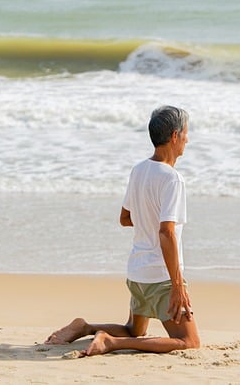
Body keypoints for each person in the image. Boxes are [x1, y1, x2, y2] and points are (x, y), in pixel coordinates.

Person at [44, 105, 200, 356]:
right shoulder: (172, 179)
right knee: (189, 341)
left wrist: (149, 221)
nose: (187, 140)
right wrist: (177, 285)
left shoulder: (139, 170)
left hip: (137, 273)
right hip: (160, 277)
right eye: (186, 134)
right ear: (174, 136)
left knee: (134, 329)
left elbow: (125, 218)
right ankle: (110, 343)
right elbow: (166, 233)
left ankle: (85, 328)